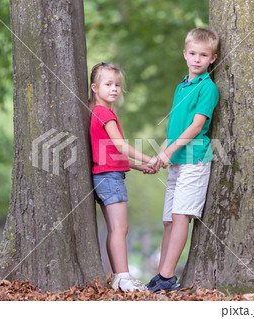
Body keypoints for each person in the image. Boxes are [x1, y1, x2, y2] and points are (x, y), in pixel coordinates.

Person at [146, 27, 220, 292]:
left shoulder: (207, 88)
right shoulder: (181, 87)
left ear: (213, 58)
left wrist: (167, 152)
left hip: (194, 160)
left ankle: (167, 277)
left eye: (203, 55)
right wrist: (159, 156)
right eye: (192, 53)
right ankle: (159, 275)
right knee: (168, 220)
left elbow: (195, 127)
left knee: (180, 217)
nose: (197, 59)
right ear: (185, 54)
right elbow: (175, 129)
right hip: (176, 159)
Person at [89, 62, 160, 292]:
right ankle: (124, 277)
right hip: (110, 178)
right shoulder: (105, 113)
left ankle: (119, 277)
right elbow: (120, 146)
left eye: (117, 85)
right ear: (94, 87)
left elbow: (108, 153)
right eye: (108, 84)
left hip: (105, 175)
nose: (114, 89)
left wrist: (139, 167)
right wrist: (150, 158)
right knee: (121, 229)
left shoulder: (97, 112)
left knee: (115, 229)